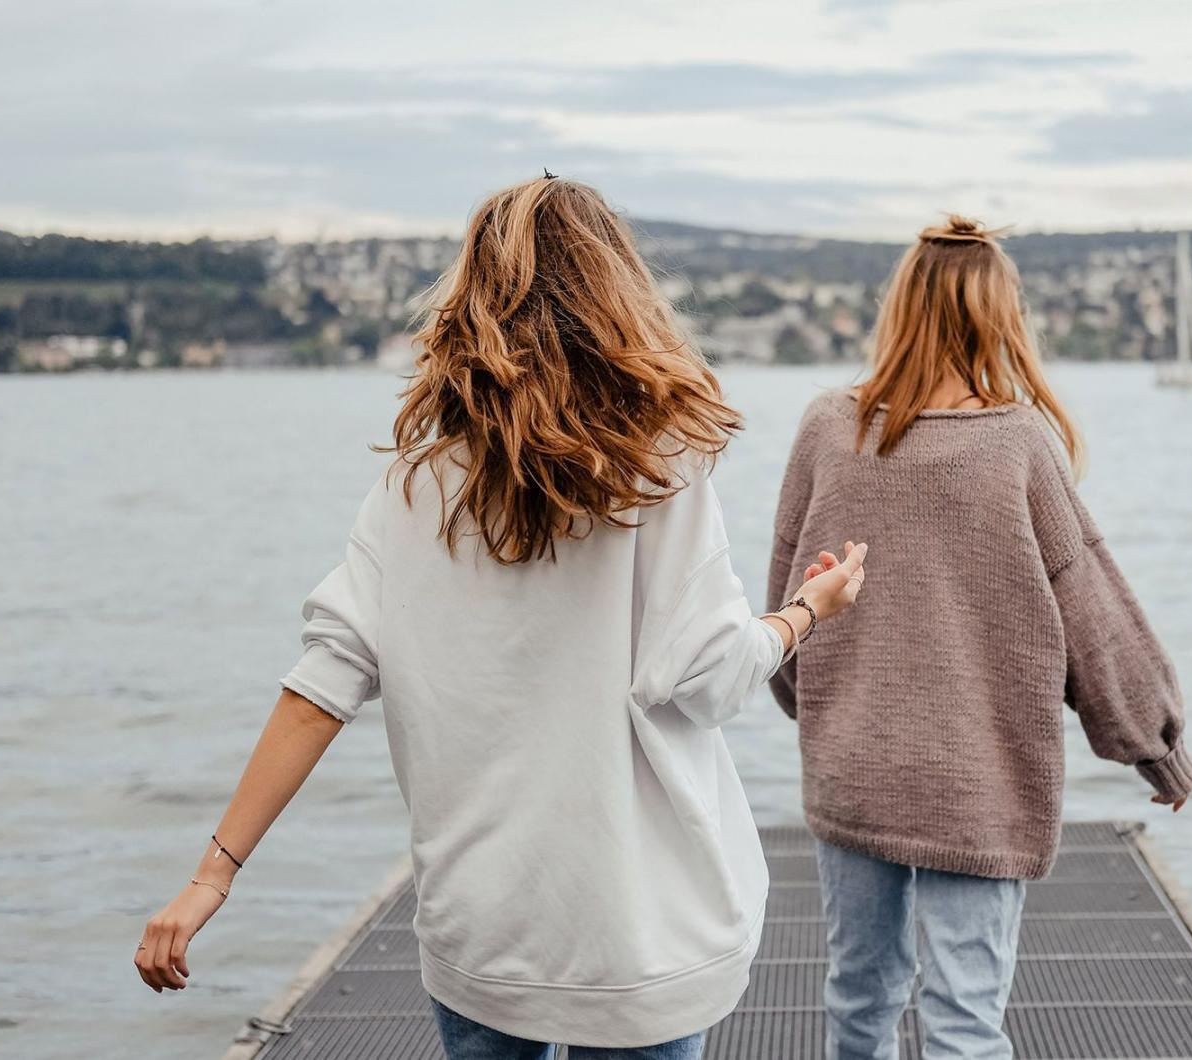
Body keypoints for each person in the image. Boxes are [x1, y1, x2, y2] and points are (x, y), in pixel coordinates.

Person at [133, 176, 868, 1060]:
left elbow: (317, 691)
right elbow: (704, 679)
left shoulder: (416, 484)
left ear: (472, 299)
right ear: (618, 290)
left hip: (482, 933)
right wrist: (802, 614)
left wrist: (211, 876)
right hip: (637, 932)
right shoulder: (663, 463)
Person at [767, 214, 1192, 1059]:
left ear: (900, 309)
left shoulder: (827, 426)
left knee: (859, 1004)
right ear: (1001, 319)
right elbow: (1094, 616)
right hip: (978, 782)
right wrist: (1155, 745)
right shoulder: (1016, 444)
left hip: (854, 763)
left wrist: (821, 709)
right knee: (966, 1025)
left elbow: (790, 597)